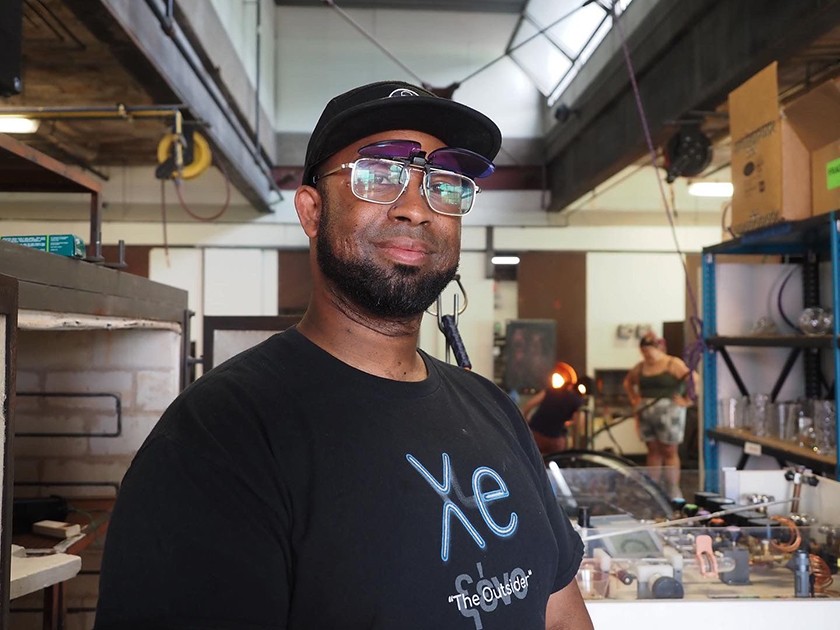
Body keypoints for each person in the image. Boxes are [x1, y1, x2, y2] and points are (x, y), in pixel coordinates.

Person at [94, 81, 593, 630]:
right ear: (312, 211)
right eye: (379, 175)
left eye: (444, 184)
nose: (416, 209)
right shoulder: (217, 438)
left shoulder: (491, 409)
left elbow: (561, 617)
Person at [622, 332, 695, 499]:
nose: (647, 355)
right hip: (647, 413)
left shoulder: (672, 364)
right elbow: (628, 382)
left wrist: (687, 400)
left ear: (659, 348)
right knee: (653, 450)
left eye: (649, 351)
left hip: (669, 412)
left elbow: (693, 380)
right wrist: (634, 399)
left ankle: (673, 488)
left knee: (669, 450)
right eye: (644, 352)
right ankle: (653, 488)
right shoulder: (641, 367)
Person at [521, 362, 586, 455]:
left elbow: (528, 405)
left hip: (536, 435)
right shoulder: (577, 400)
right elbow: (579, 424)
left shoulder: (549, 392)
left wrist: (525, 422)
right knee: (557, 459)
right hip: (556, 439)